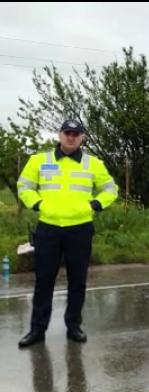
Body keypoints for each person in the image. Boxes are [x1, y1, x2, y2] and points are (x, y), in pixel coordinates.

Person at [17, 119, 118, 348]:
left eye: (76, 133)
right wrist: (37, 204)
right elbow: (24, 186)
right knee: (44, 281)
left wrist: (96, 204)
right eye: (67, 133)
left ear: (82, 137)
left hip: (80, 228)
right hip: (48, 228)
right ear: (59, 135)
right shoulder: (40, 160)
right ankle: (37, 330)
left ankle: (74, 326)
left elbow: (111, 188)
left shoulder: (93, 163)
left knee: (77, 281)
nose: (71, 137)